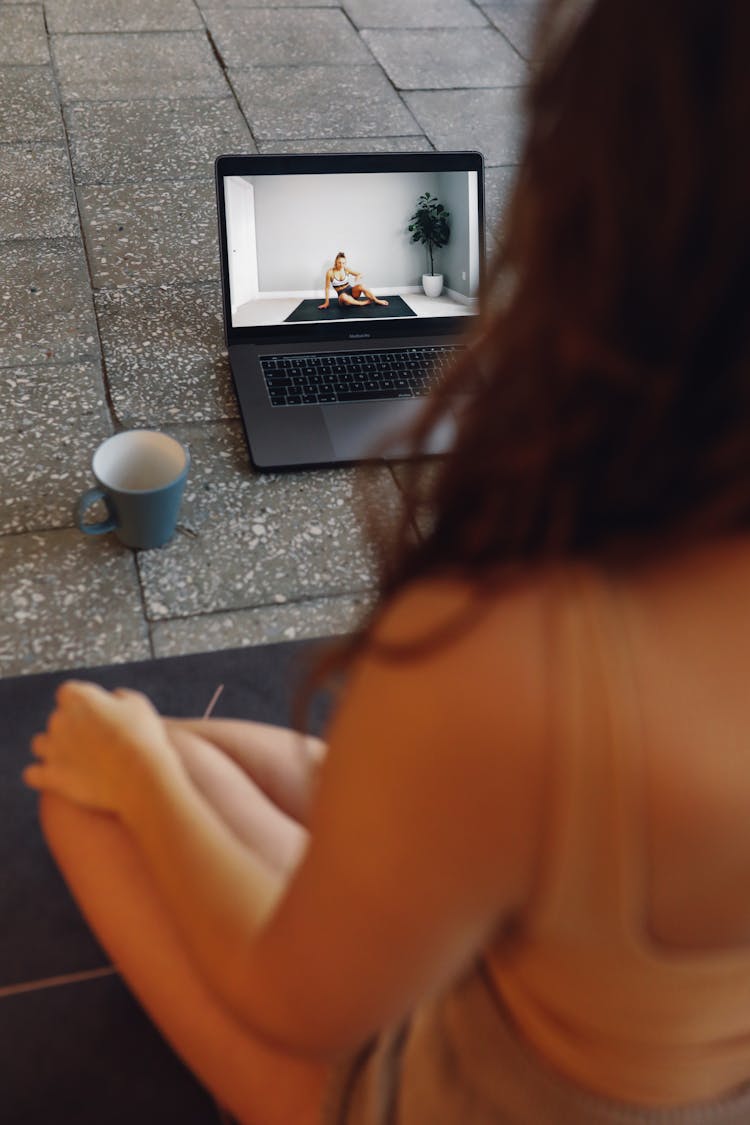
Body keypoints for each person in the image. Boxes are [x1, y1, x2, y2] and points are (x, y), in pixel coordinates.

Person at [22, 0, 750, 1122]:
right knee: (179, 751)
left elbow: (296, 1005)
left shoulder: (507, 651)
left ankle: (148, 769)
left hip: (449, 1089)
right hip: (640, 1053)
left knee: (94, 789)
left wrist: (136, 776)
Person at [318, 251, 389, 310]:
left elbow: (360, 274)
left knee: (361, 286)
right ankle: (362, 303)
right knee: (343, 296)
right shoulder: (330, 272)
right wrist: (326, 302)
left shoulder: (346, 269)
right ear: (336, 262)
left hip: (351, 291)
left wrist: (358, 276)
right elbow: (327, 288)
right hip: (342, 296)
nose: (341, 265)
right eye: (339, 262)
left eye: (343, 263)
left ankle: (377, 300)